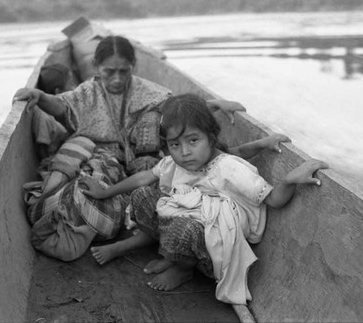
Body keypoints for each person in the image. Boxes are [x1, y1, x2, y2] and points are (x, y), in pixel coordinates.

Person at [83, 94, 328, 322]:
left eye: (192, 141)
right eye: (174, 145)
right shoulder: (176, 163)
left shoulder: (230, 168)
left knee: (184, 225)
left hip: (212, 251)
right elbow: (143, 177)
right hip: (183, 230)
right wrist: (105, 192)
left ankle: (182, 268)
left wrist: (289, 180)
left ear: (210, 139)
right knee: (143, 196)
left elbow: (273, 199)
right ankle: (167, 254)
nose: (185, 152)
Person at [13, 35, 252, 262]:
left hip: (142, 160)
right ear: (96, 67)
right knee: (85, 180)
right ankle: (67, 210)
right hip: (103, 156)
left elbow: (181, 111)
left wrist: (217, 105)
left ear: (133, 66)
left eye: (123, 71)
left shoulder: (147, 91)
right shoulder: (87, 92)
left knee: (150, 128)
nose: (116, 79)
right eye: (109, 72)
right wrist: (39, 96)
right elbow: (61, 106)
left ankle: (86, 220)